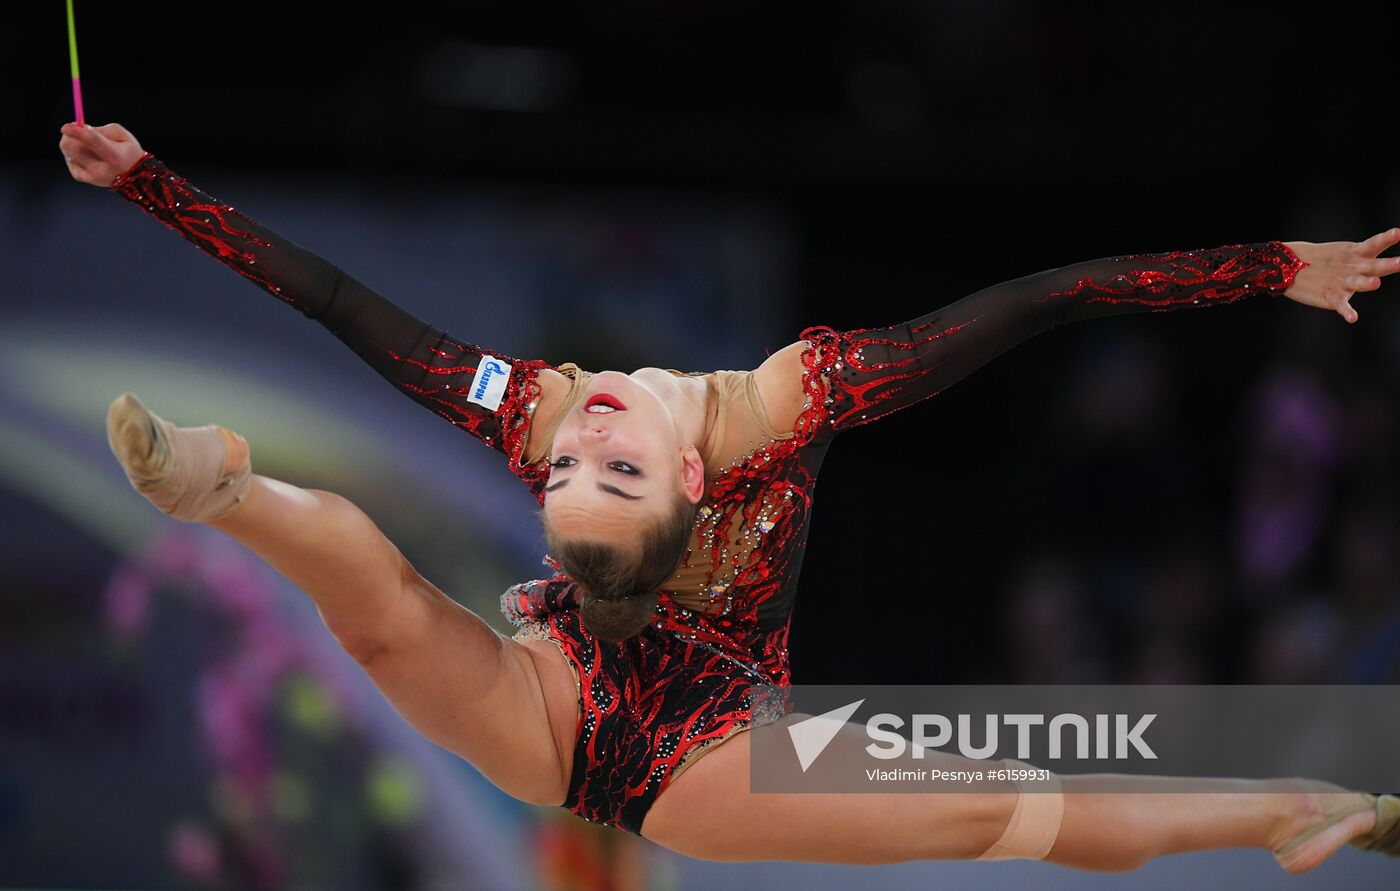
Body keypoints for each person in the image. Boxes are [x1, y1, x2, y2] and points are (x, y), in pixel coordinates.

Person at [63, 120, 1400, 873]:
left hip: (713, 746)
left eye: (584, 473)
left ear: (698, 480)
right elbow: (337, 303)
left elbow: (1041, 300)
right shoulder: (721, 407)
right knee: (383, 613)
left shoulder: (700, 403)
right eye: (599, 470)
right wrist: (154, 187)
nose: (579, 437)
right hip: (560, 696)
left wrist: (1273, 265)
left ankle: (1287, 810)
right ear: (685, 486)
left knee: (1001, 809)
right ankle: (218, 486)